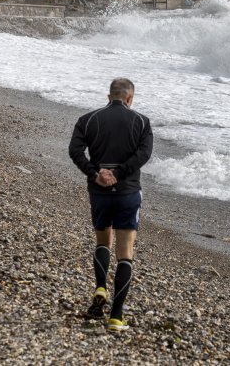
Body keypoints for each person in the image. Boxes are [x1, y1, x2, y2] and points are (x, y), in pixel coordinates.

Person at [68, 78, 153, 332]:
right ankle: (116, 316)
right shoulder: (141, 121)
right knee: (125, 250)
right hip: (127, 191)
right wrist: (120, 173)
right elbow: (143, 155)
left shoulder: (89, 119)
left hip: (99, 192)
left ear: (109, 96)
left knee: (103, 241)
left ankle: (101, 287)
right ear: (130, 98)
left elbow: (75, 151)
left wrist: (96, 174)